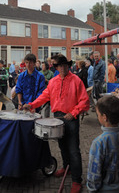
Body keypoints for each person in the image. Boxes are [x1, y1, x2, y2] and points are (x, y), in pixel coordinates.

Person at [23, 54, 90, 193]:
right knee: (62, 146)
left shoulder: (76, 80)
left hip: (71, 117)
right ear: (57, 67)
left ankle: (77, 180)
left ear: (68, 65)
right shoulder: (53, 81)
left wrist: (74, 112)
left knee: (73, 150)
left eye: (65, 65)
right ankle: (67, 168)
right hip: (58, 117)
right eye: (60, 65)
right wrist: (31, 105)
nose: (63, 68)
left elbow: (84, 101)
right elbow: (44, 96)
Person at [87, 95, 119, 192]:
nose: (97, 116)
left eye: (98, 114)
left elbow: (94, 174)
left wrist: (92, 189)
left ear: (104, 117)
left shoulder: (98, 143)